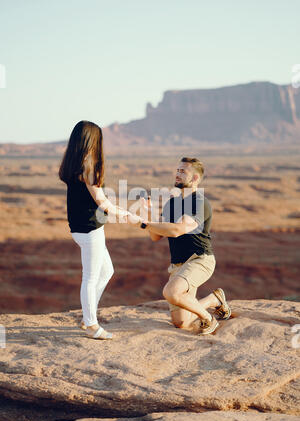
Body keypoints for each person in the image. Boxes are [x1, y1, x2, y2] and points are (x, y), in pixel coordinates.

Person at [129, 157, 231, 335]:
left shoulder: (199, 202)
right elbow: (155, 236)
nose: (177, 174)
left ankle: (209, 320)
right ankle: (214, 300)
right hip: (178, 266)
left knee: (171, 291)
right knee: (181, 323)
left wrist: (143, 224)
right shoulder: (172, 203)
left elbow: (178, 229)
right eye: (177, 170)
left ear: (195, 179)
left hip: (200, 260)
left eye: (183, 171)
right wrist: (147, 215)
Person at [59, 121, 140, 340]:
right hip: (90, 229)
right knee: (91, 277)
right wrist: (128, 215)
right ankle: (92, 326)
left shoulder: (73, 163)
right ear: (93, 140)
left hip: (80, 228)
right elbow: (102, 201)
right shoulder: (89, 165)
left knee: (107, 271)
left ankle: (88, 317)